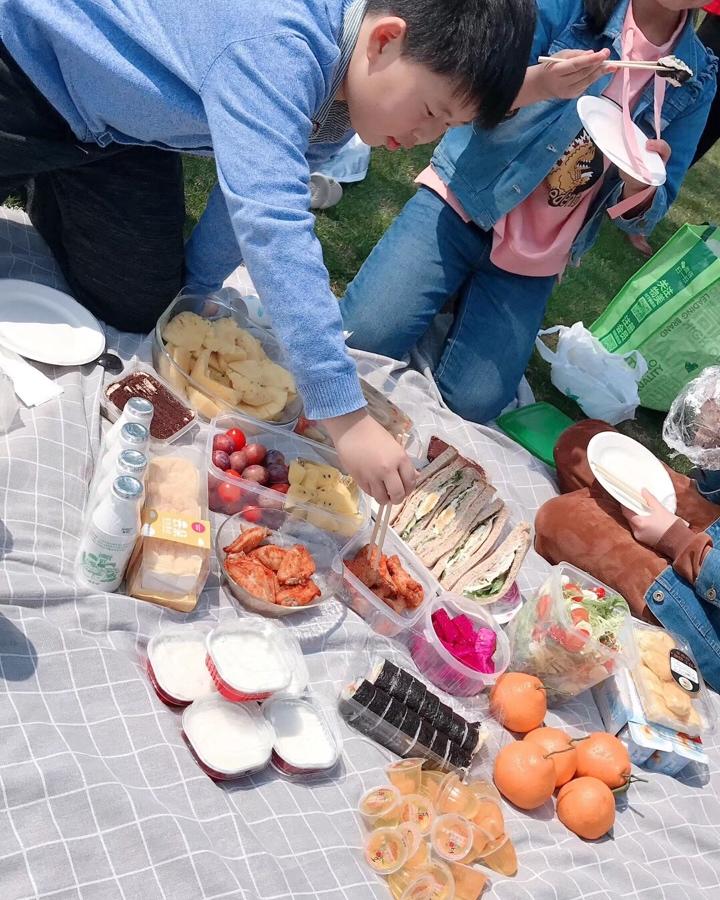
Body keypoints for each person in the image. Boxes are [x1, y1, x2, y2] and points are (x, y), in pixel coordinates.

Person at [0, 0, 536, 506]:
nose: (425, 135)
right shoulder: (277, 44)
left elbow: (247, 190)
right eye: (432, 111)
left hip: (118, 131)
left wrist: (195, 293)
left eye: (447, 127)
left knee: (144, 304)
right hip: (25, 67)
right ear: (385, 40)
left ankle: (51, 182)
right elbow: (270, 218)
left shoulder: (343, 90)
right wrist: (345, 415)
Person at [341, 0, 718, 426]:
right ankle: (437, 296)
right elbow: (466, 91)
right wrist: (541, 82)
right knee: (361, 339)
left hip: (537, 256)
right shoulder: (568, 8)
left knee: (474, 403)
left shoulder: (696, 77)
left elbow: (647, 213)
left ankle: (447, 304)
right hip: (465, 198)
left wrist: (641, 184)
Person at [534, 419, 720, 690]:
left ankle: (610, 525)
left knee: (557, 519)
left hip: (707, 615)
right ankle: (606, 514)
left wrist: (675, 539)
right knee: (585, 441)